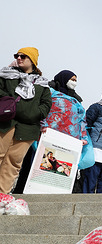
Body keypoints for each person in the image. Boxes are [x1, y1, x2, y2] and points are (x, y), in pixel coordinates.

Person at [0, 47, 52, 194]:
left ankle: (2, 195)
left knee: (14, 162)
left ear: (33, 61)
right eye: (17, 55)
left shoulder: (42, 84)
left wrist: (31, 112)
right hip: (5, 122)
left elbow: (46, 105)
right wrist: (16, 106)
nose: (19, 58)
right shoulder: (6, 75)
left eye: (23, 56)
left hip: (28, 128)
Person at [42, 69, 94, 192]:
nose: (74, 82)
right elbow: (43, 109)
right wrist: (42, 124)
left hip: (70, 139)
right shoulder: (50, 93)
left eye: (76, 80)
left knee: (63, 166)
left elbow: (81, 120)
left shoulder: (76, 100)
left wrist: (83, 137)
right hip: (49, 135)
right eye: (72, 79)